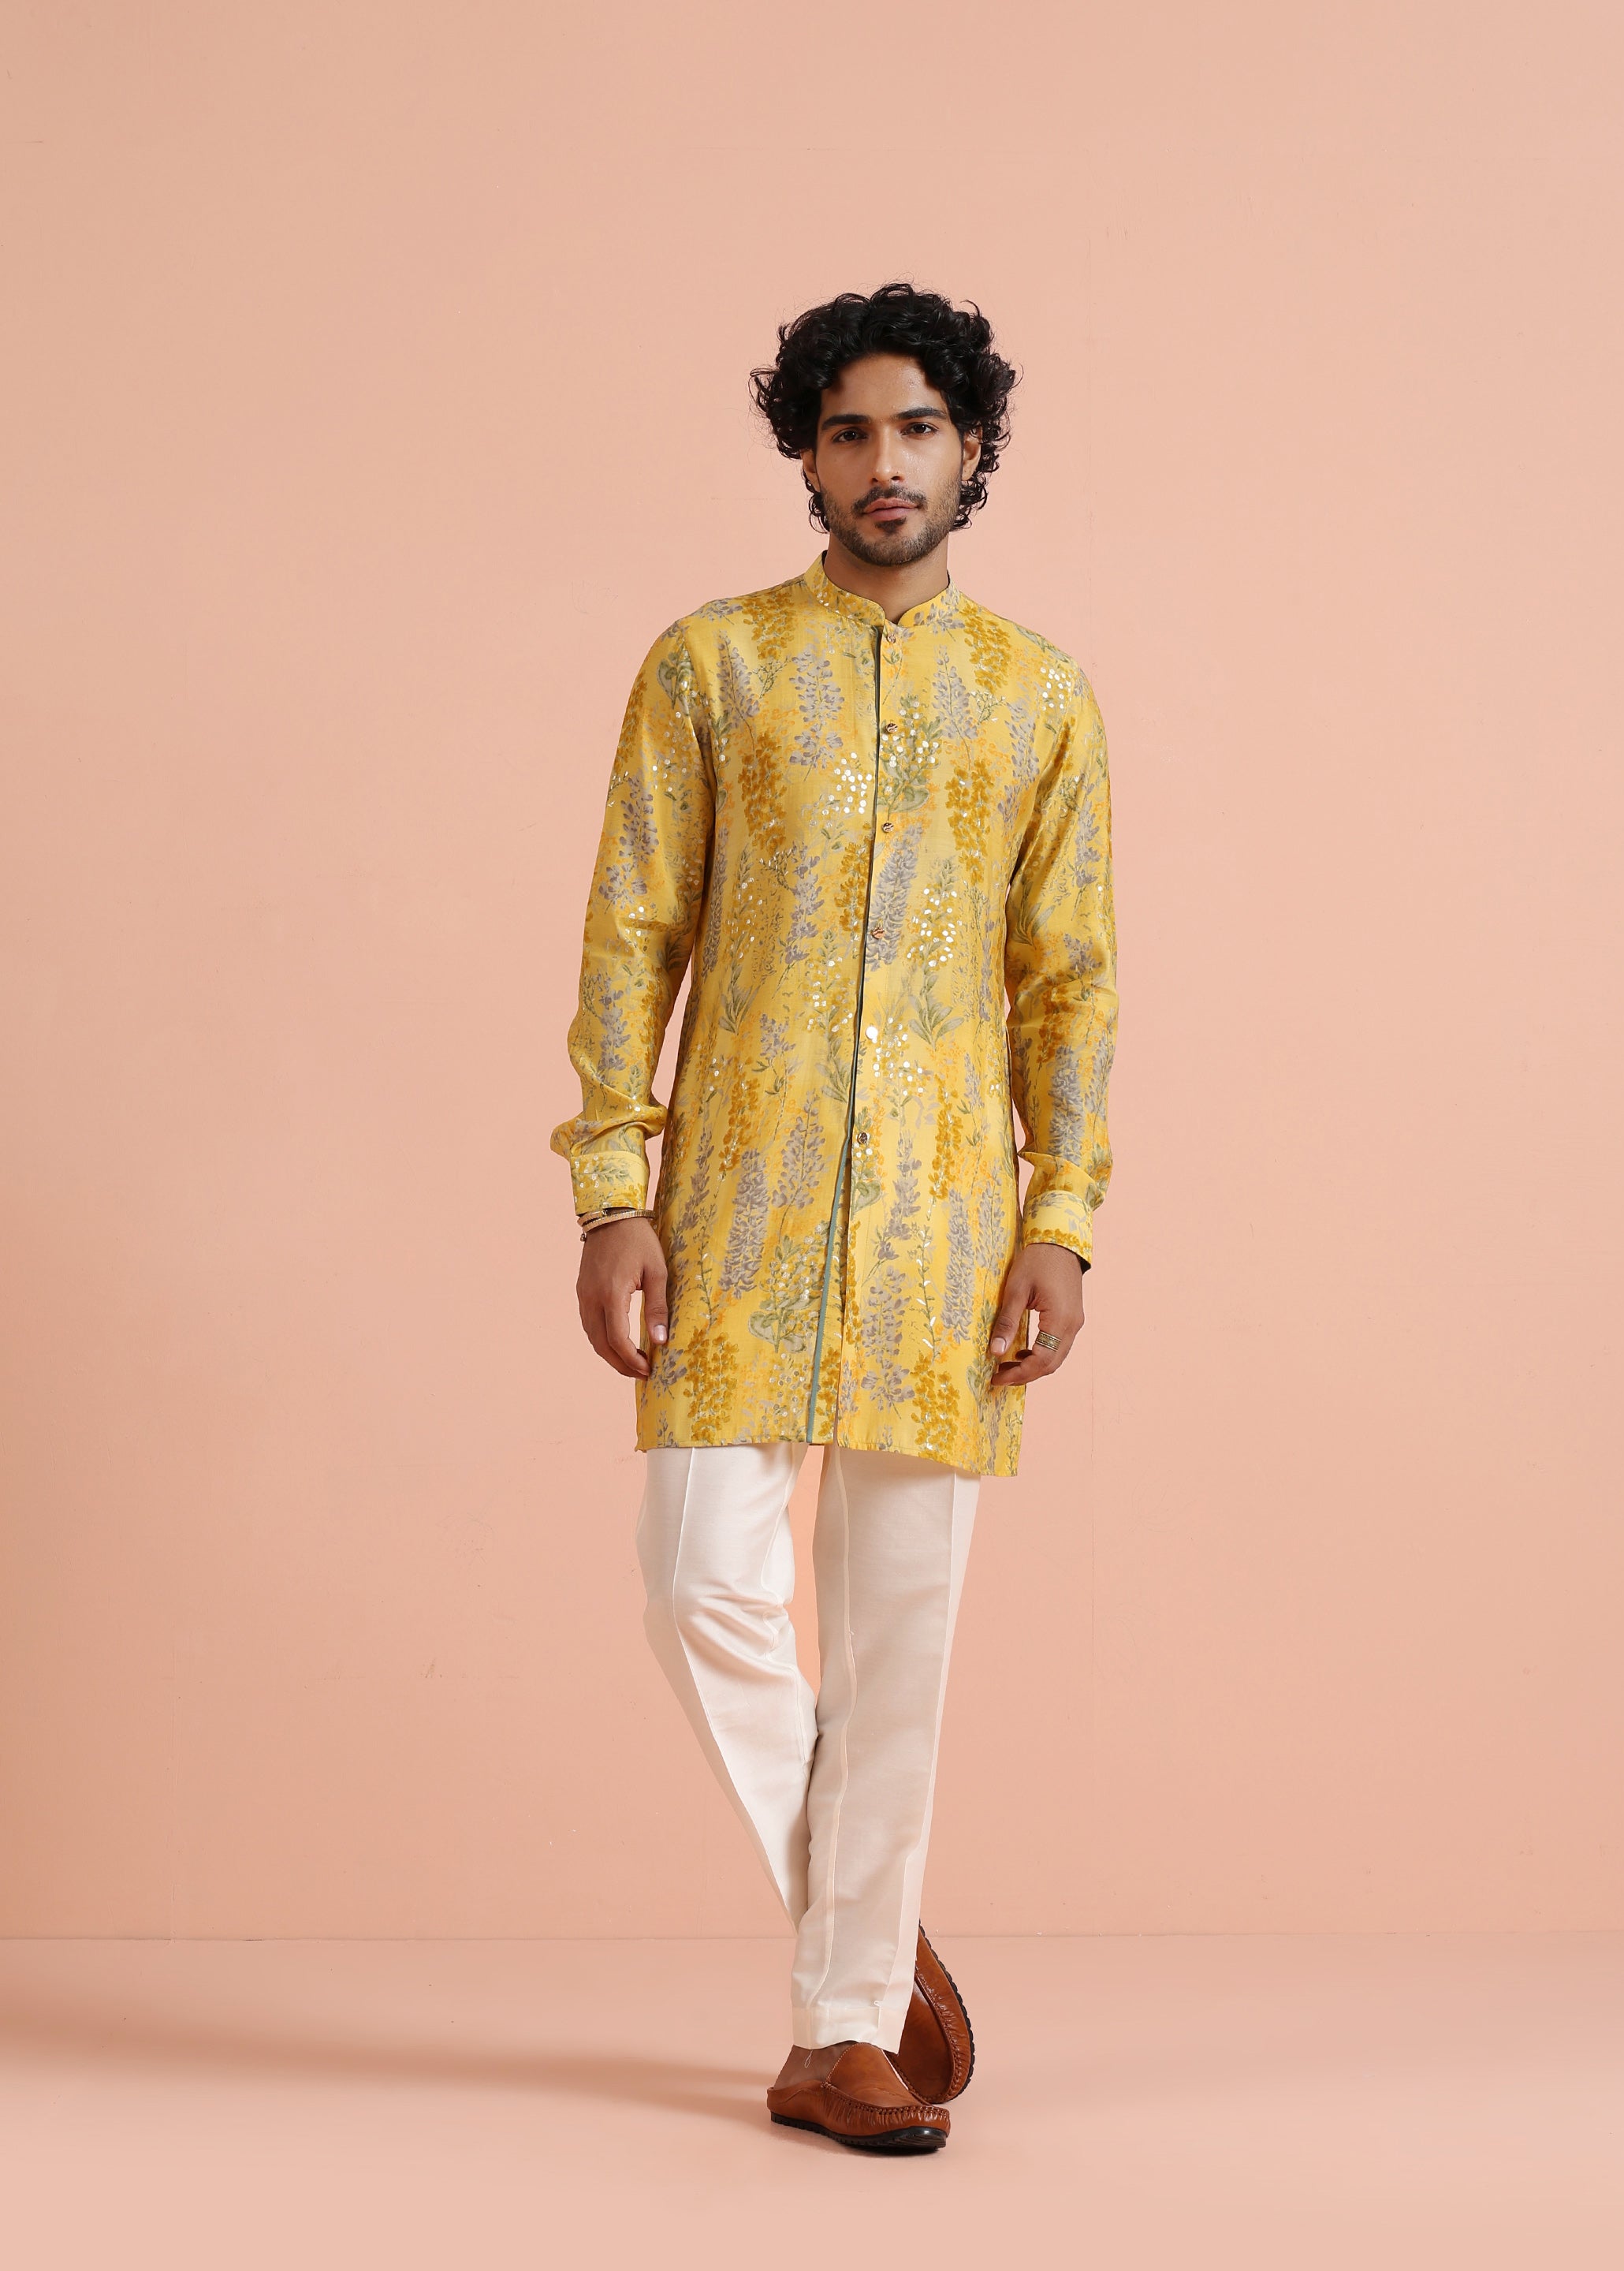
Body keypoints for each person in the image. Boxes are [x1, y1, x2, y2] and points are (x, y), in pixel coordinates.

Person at [552, 282, 1117, 2154]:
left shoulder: (1038, 698)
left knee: (901, 1641)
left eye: (920, 429)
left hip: (947, 1233)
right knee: (697, 1579)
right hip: (737, 1209)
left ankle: (839, 2036)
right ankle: (869, 1942)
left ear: (972, 451)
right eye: (853, 429)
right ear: (807, 453)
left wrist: (1063, 1218)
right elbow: (633, 936)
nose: (887, 463)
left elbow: (1069, 984)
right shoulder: (709, 669)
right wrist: (612, 1191)